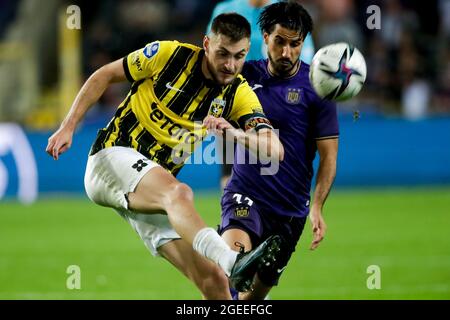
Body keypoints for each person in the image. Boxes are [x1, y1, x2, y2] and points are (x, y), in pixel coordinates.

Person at [46, 13, 284, 299]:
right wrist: (68, 126)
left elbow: (274, 149)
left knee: (214, 282)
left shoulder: (238, 93)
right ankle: (232, 260)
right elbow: (104, 74)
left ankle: (226, 266)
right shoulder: (167, 55)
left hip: (151, 190)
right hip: (110, 157)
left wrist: (235, 135)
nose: (230, 65)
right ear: (207, 44)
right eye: (222, 53)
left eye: (239, 55)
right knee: (179, 193)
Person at [218, 2, 339, 299]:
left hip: (290, 211)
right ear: (265, 37)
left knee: (251, 300)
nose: (286, 52)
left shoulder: (317, 89)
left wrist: (318, 206)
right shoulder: (243, 76)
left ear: (304, 42)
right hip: (245, 194)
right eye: (279, 42)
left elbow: (329, 156)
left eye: (295, 44)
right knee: (234, 268)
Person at [206, 0, 316, 189]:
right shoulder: (225, 9)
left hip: (274, 103)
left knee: (272, 171)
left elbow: (304, 58)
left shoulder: (284, 12)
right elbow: (212, 54)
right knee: (230, 173)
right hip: (233, 98)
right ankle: (230, 216)